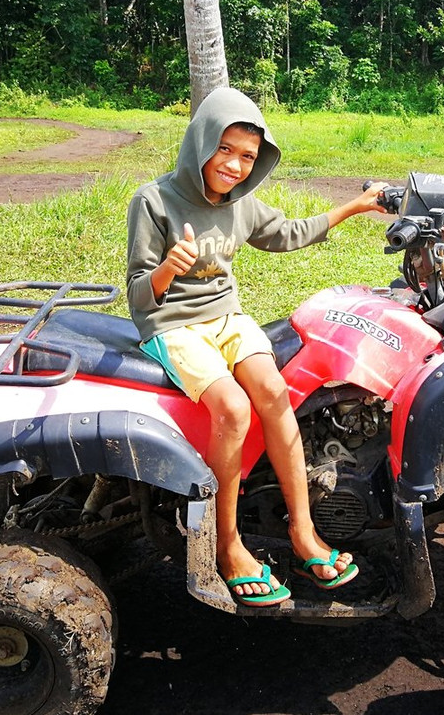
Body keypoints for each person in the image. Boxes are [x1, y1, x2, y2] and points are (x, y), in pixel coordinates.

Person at [126, 87, 385, 607]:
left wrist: (355, 207)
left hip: (226, 318)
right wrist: (164, 273)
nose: (235, 166)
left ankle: (304, 533)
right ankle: (226, 545)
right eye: (226, 150)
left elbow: (289, 233)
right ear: (201, 142)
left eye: (247, 156)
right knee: (233, 406)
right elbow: (136, 293)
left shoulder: (241, 206)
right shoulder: (152, 201)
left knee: (275, 390)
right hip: (172, 324)